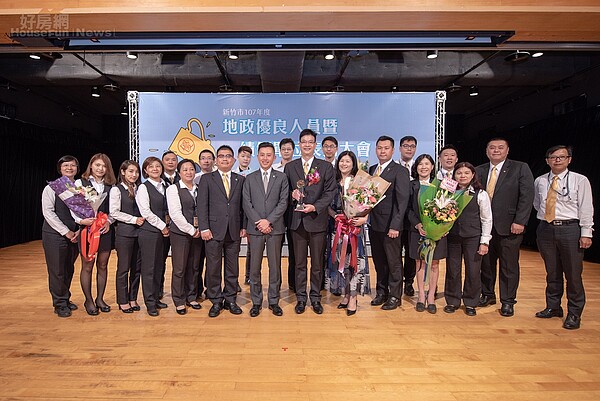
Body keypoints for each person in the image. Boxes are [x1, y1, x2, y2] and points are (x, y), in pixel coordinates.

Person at [533, 145, 594, 330]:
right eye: (553, 157)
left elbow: (586, 208)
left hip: (570, 229)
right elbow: (537, 204)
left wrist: (586, 233)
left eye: (561, 157)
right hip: (546, 229)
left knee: (573, 274)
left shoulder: (580, 180)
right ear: (547, 160)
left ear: (569, 159)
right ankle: (553, 306)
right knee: (552, 271)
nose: (557, 160)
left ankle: (574, 313)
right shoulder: (540, 181)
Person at [476, 138, 534, 317]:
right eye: (492, 148)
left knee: (508, 266)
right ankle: (487, 294)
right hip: (484, 227)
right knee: (485, 264)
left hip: (510, 226)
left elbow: (527, 196)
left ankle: (508, 301)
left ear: (507, 150)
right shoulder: (478, 170)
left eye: (500, 148)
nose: (496, 151)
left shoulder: (520, 168)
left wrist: (520, 221)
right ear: (487, 151)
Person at [284, 129, 336, 314]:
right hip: (297, 222)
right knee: (298, 263)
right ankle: (300, 298)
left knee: (316, 263)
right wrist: (292, 195)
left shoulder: (325, 167)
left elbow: (330, 193)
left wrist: (315, 207)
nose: (307, 145)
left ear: (315, 145)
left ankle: (315, 297)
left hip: (317, 221)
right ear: (299, 144)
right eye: (304, 142)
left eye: (311, 142)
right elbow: (285, 191)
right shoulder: (290, 167)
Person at [198, 145, 246, 318]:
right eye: (221, 156)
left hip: (234, 230)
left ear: (233, 160)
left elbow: (243, 206)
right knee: (213, 268)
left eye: (228, 156)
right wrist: (204, 227)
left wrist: (244, 226)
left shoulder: (239, 180)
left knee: (232, 268)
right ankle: (216, 300)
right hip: (212, 231)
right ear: (216, 160)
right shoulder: (207, 179)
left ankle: (231, 299)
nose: (225, 159)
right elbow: (201, 206)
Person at [242, 142, 289, 317]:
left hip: (275, 228)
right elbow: (246, 203)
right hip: (255, 230)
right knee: (254, 268)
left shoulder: (282, 178)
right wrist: (259, 222)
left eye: (269, 155)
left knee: (274, 266)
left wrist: (268, 221)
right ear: (257, 156)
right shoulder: (250, 178)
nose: (265, 158)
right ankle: (256, 302)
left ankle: (274, 301)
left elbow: (283, 202)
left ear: (274, 157)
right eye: (262, 155)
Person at [444, 162, 492, 316]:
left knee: (473, 270)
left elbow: (486, 219)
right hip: (453, 237)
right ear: (454, 175)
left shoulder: (480, 193)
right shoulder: (448, 192)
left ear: (472, 175)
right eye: (459, 173)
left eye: (466, 173)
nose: (462, 176)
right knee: (453, 270)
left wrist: (484, 241)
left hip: (473, 237)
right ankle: (452, 300)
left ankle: (471, 302)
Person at [368, 136, 410, 310]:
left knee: (393, 262)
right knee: (379, 261)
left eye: (386, 148)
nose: (382, 151)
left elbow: (402, 200)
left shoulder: (399, 171)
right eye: (379, 148)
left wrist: (395, 225)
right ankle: (381, 292)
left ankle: (394, 296)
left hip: (390, 226)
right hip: (374, 224)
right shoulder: (371, 170)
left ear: (393, 150)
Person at [329, 151, 371, 316]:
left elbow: (370, 204)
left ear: (353, 164)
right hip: (338, 229)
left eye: (348, 161)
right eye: (342, 161)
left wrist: (364, 218)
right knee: (342, 263)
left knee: (355, 263)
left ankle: (353, 297)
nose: (344, 164)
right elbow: (328, 205)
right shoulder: (332, 183)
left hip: (355, 229)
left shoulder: (360, 183)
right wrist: (337, 217)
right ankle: (346, 294)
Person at [75, 153, 116, 316]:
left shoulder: (111, 186)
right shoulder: (80, 183)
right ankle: (88, 300)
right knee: (87, 265)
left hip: (104, 230)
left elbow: (113, 210)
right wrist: (81, 221)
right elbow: (73, 207)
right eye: (97, 165)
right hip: (86, 230)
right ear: (91, 165)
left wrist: (108, 222)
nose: (100, 168)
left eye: (104, 166)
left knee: (103, 265)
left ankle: (100, 298)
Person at [41, 155, 81, 317]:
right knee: (57, 270)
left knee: (68, 268)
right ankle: (59, 304)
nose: (70, 168)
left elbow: (84, 211)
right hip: (55, 235)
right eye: (66, 165)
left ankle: (65, 297)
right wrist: (66, 231)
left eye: (73, 165)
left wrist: (78, 229)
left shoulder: (79, 188)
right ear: (60, 168)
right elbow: (48, 213)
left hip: (75, 234)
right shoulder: (52, 188)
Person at [408, 154, 447, 314]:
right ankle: (421, 296)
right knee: (420, 263)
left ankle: (431, 296)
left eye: (427, 164)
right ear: (416, 168)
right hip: (418, 231)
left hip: (437, 232)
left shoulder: (441, 185)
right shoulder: (411, 185)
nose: (423, 167)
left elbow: (449, 206)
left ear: (432, 167)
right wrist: (417, 224)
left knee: (435, 264)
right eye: (420, 164)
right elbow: (408, 209)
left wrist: (443, 226)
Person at [166, 159, 203, 315]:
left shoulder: (199, 188)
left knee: (194, 266)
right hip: (180, 233)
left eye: (191, 169)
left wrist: (201, 229)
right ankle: (179, 300)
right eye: (185, 169)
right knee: (180, 268)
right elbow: (175, 214)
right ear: (179, 172)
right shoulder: (173, 189)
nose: (189, 172)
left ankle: (191, 296)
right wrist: (190, 230)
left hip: (198, 233)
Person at [136, 156, 170, 317]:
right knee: (149, 268)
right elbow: (146, 212)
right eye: (151, 167)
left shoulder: (165, 185)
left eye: (158, 166)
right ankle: (149, 303)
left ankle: (156, 298)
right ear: (145, 170)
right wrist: (162, 226)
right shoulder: (143, 187)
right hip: (150, 232)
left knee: (159, 266)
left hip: (164, 233)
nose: (155, 169)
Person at [109, 160, 144, 313]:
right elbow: (114, 213)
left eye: (136, 172)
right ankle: (122, 301)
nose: (134, 175)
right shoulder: (116, 190)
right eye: (130, 171)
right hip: (125, 233)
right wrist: (133, 219)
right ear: (123, 172)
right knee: (123, 268)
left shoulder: (140, 188)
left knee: (137, 269)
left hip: (140, 233)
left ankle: (133, 298)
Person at [273, 138, 297, 292]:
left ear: (293, 151)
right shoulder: (274, 168)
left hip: (294, 215)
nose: (286, 151)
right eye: (284, 149)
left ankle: (293, 283)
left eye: (289, 149)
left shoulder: (297, 168)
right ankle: (276, 284)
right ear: (280, 151)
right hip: (277, 217)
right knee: (275, 252)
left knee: (295, 251)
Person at [193, 149, 215, 298]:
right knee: (196, 260)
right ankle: (196, 289)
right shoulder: (193, 178)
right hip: (195, 226)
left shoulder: (217, 178)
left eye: (209, 158)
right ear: (199, 161)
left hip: (213, 225)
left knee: (212, 262)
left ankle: (210, 288)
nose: (206, 161)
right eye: (203, 158)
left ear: (214, 160)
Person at [398, 135, 418, 297]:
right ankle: (396, 281)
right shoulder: (393, 168)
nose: (409, 148)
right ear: (399, 148)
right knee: (395, 252)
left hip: (414, 220)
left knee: (411, 253)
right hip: (395, 218)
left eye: (412, 146)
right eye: (406, 146)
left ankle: (409, 282)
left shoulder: (419, 168)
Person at [159, 150, 179, 300]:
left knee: (185, 262)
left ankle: (191, 291)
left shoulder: (184, 177)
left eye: (173, 159)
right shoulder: (157, 180)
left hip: (181, 227)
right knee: (160, 260)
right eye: (167, 160)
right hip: (162, 227)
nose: (171, 162)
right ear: (162, 162)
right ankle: (158, 290)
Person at [321, 136, 338, 291]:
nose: (328, 149)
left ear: (336, 148)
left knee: (337, 250)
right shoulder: (317, 167)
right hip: (320, 214)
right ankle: (322, 282)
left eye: (331, 146)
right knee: (322, 251)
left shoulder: (341, 167)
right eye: (325, 146)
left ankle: (336, 284)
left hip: (339, 218)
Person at [235, 145, 253, 287]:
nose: (245, 159)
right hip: (235, 215)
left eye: (248, 157)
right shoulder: (233, 174)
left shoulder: (254, 175)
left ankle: (249, 276)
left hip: (251, 215)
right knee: (233, 250)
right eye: (243, 156)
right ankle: (233, 281)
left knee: (251, 249)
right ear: (238, 157)